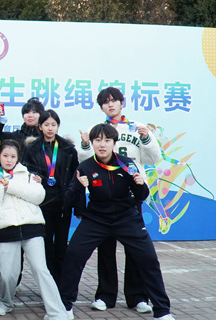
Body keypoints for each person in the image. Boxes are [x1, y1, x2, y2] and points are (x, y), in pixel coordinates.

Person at [59, 124, 174, 320]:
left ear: (114, 143)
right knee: (74, 255)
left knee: (148, 259)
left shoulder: (126, 163)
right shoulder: (85, 167)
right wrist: (78, 186)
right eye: (97, 140)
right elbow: (67, 200)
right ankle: (64, 307)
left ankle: (162, 311)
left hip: (126, 217)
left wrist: (140, 185)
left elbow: (141, 195)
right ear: (92, 143)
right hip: (96, 218)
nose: (102, 145)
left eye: (107, 140)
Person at [78, 87, 160, 314]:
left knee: (136, 249)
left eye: (114, 100)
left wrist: (146, 138)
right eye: (105, 102)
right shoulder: (96, 130)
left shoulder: (137, 127)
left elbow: (154, 158)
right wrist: (84, 145)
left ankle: (138, 297)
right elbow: (85, 162)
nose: (110, 105)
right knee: (105, 247)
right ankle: (105, 295)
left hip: (131, 194)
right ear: (101, 107)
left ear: (122, 103)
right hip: (105, 195)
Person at [0, 140, 68, 319]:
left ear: (18, 158)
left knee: (40, 269)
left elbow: (39, 196)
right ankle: (6, 302)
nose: (9, 160)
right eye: (5, 156)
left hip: (32, 229)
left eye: (13, 156)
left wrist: (10, 186)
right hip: (6, 231)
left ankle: (57, 311)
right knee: (6, 274)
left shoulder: (29, 175)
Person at [23, 109, 82, 287]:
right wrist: (33, 177)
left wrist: (79, 207)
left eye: (53, 125)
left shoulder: (68, 149)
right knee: (46, 246)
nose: (50, 128)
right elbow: (25, 174)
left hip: (63, 204)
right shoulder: (31, 149)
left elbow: (77, 178)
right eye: (46, 125)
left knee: (62, 246)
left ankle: (60, 284)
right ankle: (48, 285)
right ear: (40, 127)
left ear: (58, 126)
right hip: (42, 205)